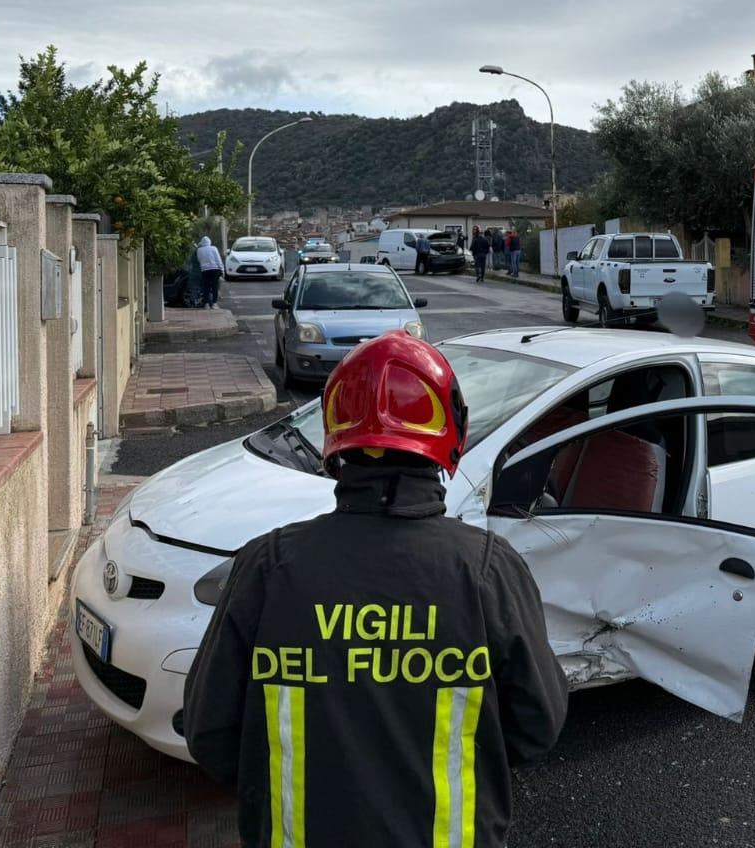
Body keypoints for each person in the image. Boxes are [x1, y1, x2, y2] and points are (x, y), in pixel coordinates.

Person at [183, 331, 568, 848]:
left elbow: (210, 734)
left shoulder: (266, 567)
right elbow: (537, 725)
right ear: (449, 431)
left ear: (336, 440)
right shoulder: (486, 571)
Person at [196, 236, 224, 309]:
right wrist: (222, 269)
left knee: (206, 287)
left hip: (205, 270)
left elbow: (199, 260)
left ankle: (206, 304)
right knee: (215, 287)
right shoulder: (214, 248)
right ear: (209, 242)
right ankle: (214, 304)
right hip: (215, 270)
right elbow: (218, 260)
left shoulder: (199, 250)